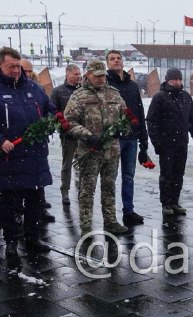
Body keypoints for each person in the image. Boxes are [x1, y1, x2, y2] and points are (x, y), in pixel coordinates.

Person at [0, 47, 54, 257]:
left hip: (34, 155)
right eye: (12, 66)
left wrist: (52, 122)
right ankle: (11, 241)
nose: (16, 70)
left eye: (18, 66)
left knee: (34, 199)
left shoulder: (34, 88)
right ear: (0, 65)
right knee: (8, 202)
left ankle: (32, 237)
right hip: (6, 157)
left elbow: (49, 109)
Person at [63, 60, 128, 235]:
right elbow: (68, 122)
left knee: (109, 186)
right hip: (89, 151)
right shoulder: (78, 96)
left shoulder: (114, 94)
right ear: (88, 75)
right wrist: (87, 135)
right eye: (97, 76)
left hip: (111, 150)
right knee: (87, 189)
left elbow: (125, 115)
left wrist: (123, 128)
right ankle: (86, 225)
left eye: (103, 76)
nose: (101, 79)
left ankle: (111, 221)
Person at [146, 68, 193, 216]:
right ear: (167, 80)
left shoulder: (186, 97)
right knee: (167, 175)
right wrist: (157, 142)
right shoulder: (160, 98)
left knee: (178, 174)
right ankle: (166, 203)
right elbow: (151, 121)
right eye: (173, 79)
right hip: (166, 144)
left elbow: (191, 120)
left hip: (182, 143)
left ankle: (175, 201)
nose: (176, 82)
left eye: (179, 79)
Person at [105, 50, 150, 227]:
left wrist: (144, 141)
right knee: (110, 177)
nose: (116, 61)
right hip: (113, 138)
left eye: (119, 58)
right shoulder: (106, 84)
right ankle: (109, 215)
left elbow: (139, 111)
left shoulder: (132, 86)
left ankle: (128, 211)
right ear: (107, 63)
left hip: (131, 138)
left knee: (128, 176)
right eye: (112, 59)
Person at [19, 58, 55, 223]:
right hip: (18, 145)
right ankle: (19, 212)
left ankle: (40, 210)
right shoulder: (10, 89)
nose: (26, 74)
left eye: (29, 71)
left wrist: (47, 125)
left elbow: (50, 110)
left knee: (39, 181)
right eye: (23, 70)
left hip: (37, 143)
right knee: (20, 183)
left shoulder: (38, 89)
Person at [50, 64, 82, 205]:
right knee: (67, 164)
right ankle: (65, 191)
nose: (78, 76)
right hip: (68, 133)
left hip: (83, 133)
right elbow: (53, 111)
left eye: (79, 74)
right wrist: (62, 124)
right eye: (75, 74)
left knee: (83, 163)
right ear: (67, 74)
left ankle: (82, 189)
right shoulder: (58, 92)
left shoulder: (83, 91)